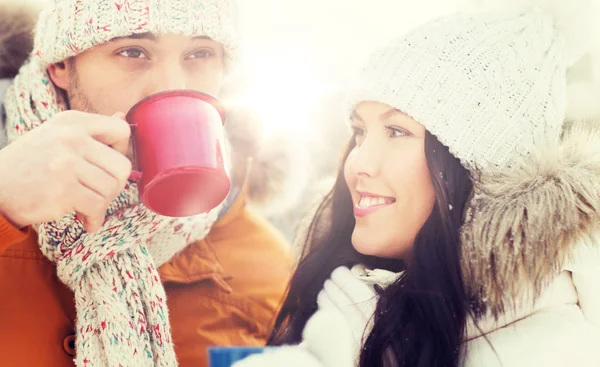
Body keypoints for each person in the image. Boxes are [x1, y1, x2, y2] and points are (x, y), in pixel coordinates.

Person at [234, 3, 600, 367]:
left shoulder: (553, 351)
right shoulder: (345, 305)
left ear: (480, 170)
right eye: (360, 132)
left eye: (397, 131)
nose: (358, 162)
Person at [0, 0, 294, 366]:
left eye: (200, 53)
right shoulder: (6, 201)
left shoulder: (266, 270)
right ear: (61, 63)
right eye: (132, 51)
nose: (171, 86)